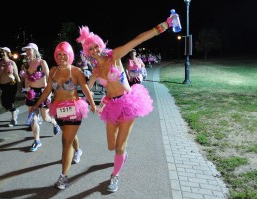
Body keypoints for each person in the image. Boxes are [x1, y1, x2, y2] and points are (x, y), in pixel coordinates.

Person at [76, 16, 173, 192]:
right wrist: (83, 101)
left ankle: (115, 176)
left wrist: (163, 26)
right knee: (111, 146)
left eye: (96, 45)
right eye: (90, 49)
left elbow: (137, 39)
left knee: (119, 146)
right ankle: (122, 155)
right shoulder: (96, 70)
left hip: (128, 103)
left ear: (101, 44)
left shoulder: (115, 55)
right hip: (110, 106)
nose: (95, 50)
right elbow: (87, 87)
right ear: (88, 52)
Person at [30, 41, 96, 190]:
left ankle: (63, 177)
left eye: (64, 54)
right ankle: (78, 150)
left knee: (66, 141)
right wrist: (36, 104)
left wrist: (92, 104)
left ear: (69, 55)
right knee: (69, 135)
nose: (61, 57)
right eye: (59, 54)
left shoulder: (76, 71)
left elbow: (85, 88)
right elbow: (47, 91)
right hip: (58, 109)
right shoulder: (53, 70)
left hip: (73, 108)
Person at [21, 43, 60, 152]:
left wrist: (50, 93)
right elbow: (27, 80)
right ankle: (37, 140)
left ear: (35, 50)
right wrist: (27, 91)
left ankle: (54, 123)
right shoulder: (27, 64)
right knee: (33, 118)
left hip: (43, 92)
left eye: (29, 50)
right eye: (27, 50)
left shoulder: (42, 62)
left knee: (45, 117)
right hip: (32, 93)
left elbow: (49, 78)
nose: (27, 52)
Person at [0, 47, 21, 127]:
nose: (2, 53)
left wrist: (19, 85)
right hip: (3, 85)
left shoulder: (12, 63)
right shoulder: (0, 63)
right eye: (1, 52)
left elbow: (16, 75)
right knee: (4, 103)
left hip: (12, 84)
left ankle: (13, 119)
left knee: (10, 102)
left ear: (7, 53)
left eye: (3, 52)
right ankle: (15, 111)